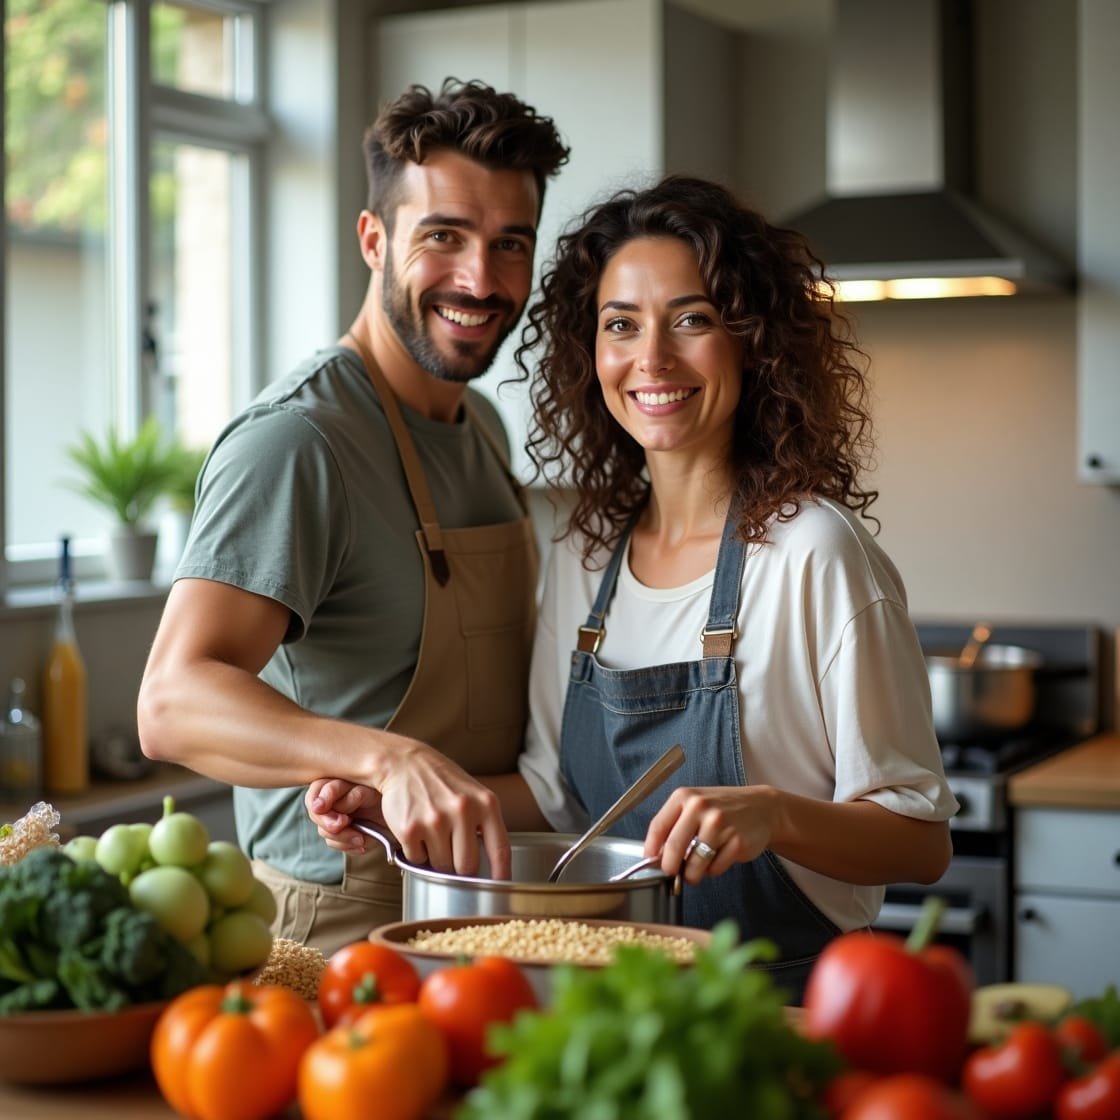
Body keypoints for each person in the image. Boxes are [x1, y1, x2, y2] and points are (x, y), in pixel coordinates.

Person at [311, 175, 958, 1000]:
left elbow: (919, 837)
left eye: (692, 319)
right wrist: (395, 796)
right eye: (622, 325)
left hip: (782, 1009)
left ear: (752, 341)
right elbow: (553, 795)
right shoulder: (588, 558)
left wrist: (775, 815)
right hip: (615, 1012)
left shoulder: (815, 554)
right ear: (594, 353)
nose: (652, 359)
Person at [136, 79, 570, 953]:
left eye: (509, 244)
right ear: (375, 239)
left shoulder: (479, 427)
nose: (479, 279)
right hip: (342, 928)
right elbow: (171, 702)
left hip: (480, 908)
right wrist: (384, 756)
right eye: (443, 236)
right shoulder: (300, 442)